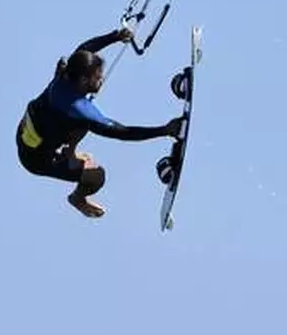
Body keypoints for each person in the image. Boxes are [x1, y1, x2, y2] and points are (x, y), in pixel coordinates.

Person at [16, 26, 184, 218]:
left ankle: (68, 154)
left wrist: (115, 36)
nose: (101, 79)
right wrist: (165, 130)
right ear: (82, 80)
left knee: (78, 133)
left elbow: (86, 47)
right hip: (35, 159)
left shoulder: (67, 70)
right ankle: (77, 198)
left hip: (29, 132)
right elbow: (121, 132)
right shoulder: (77, 109)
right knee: (97, 176)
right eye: (97, 77)